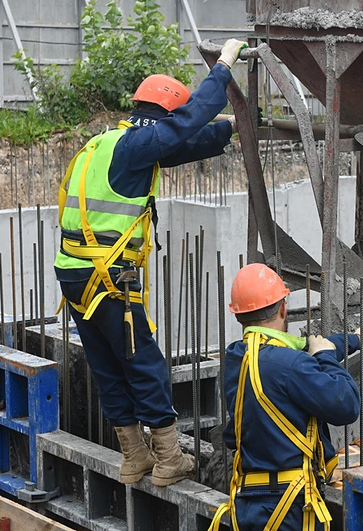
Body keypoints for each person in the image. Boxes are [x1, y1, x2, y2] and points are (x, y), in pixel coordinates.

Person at [54, 39, 248, 487]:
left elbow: (184, 142)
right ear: (163, 116)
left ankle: (133, 457)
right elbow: (190, 119)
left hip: (74, 274)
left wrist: (233, 130)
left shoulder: (108, 143)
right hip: (106, 277)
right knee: (144, 363)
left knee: (107, 364)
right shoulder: (135, 147)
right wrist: (223, 67)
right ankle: (167, 458)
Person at [210, 263, 363, 531]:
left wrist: (353, 340)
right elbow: (347, 405)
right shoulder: (290, 366)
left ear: (238, 316)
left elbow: (298, 351)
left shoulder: (235, 359)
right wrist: (325, 355)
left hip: (249, 502)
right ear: (282, 308)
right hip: (289, 506)